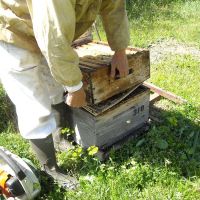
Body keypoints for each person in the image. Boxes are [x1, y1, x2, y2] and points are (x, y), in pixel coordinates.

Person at [0, 0, 130, 189]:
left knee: (54, 88)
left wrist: (120, 51)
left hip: (48, 34)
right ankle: (50, 168)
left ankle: (59, 138)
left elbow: (114, 7)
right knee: (33, 106)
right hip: (14, 34)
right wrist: (75, 87)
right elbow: (53, 34)